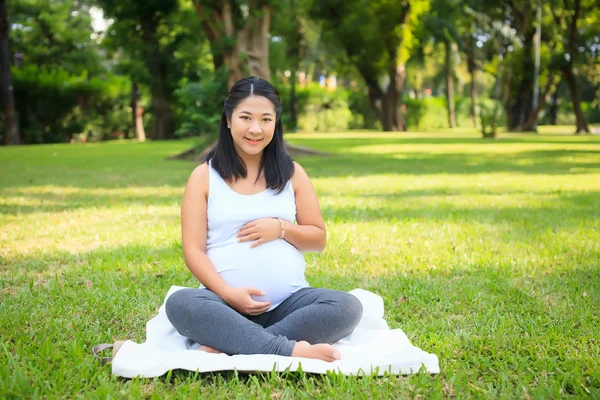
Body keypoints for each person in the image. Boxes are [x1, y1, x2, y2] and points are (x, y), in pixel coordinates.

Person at [165, 76, 363, 362]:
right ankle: (288, 349)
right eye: (245, 117)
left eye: (265, 119)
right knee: (181, 303)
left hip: (289, 305)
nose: (255, 129)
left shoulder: (293, 173)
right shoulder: (204, 177)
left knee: (347, 306)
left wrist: (281, 228)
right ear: (229, 120)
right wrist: (228, 294)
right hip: (223, 303)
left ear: (276, 123)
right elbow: (193, 250)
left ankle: (233, 340)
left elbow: (318, 240)